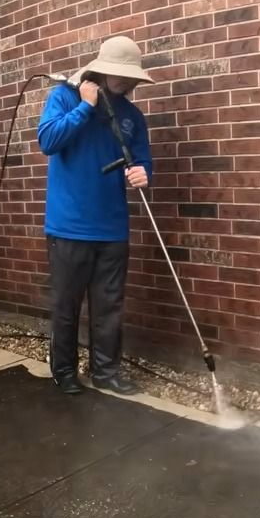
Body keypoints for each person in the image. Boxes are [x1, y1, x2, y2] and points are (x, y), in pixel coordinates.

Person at [36, 35, 154, 396]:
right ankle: (65, 371)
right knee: (67, 305)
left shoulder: (133, 116)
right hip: (69, 225)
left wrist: (143, 173)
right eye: (121, 75)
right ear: (101, 70)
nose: (128, 82)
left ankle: (106, 372)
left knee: (109, 306)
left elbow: (143, 159)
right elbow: (48, 141)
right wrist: (85, 108)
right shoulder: (65, 97)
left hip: (113, 226)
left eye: (132, 77)